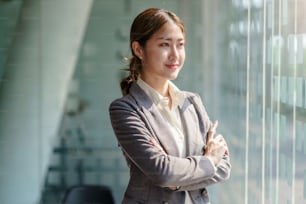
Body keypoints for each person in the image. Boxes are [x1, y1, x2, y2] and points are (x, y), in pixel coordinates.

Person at [109, 8, 231, 204]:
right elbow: (163, 172)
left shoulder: (192, 102)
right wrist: (209, 161)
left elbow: (224, 167)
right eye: (165, 44)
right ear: (139, 49)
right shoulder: (126, 109)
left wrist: (176, 179)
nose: (175, 55)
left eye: (180, 45)